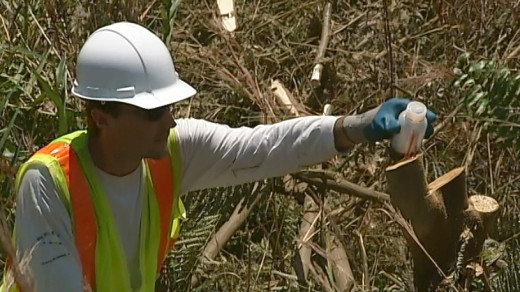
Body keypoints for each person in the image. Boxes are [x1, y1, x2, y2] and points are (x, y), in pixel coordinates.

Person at [2, 22, 436, 292]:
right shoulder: (48, 182)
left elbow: (265, 147)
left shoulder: (171, 151)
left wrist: (357, 126)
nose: (170, 121)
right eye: (154, 112)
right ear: (101, 117)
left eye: (170, 108)